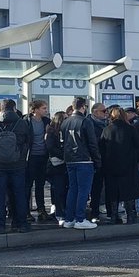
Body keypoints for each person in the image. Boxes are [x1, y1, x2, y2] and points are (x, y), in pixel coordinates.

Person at [0, 99, 32, 234]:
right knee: (19, 194)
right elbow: (29, 141)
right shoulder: (22, 124)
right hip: (18, 165)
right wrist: (21, 156)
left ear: (1, 109)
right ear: (14, 108)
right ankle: (21, 224)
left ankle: (0, 225)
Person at [60, 97, 100, 230]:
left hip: (70, 159)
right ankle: (80, 218)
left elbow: (62, 142)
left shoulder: (65, 122)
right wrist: (97, 160)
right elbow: (92, 143)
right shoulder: (85, 121)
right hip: (84, 159)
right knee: (83, 190)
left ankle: (69, 219)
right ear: (83, 107)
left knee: (73, 189)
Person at [100, 107, 139, 224]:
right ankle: (130, 215)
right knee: (129, 191)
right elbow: (138, 145)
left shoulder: (107, 129)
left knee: (113, 192)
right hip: (128, 164)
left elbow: (102, 147)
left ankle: (114, 215)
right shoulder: (130, 129)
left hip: (111, 165)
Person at [23, 100, 51, 220]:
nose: (46, 110)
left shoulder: (46, 121)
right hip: (31, 156)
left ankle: (41, 209)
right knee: (27, 184)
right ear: (36, 109)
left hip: (43, 156)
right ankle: (25, 211)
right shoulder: (26, 121)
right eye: (43, 108)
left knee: (40, 184)